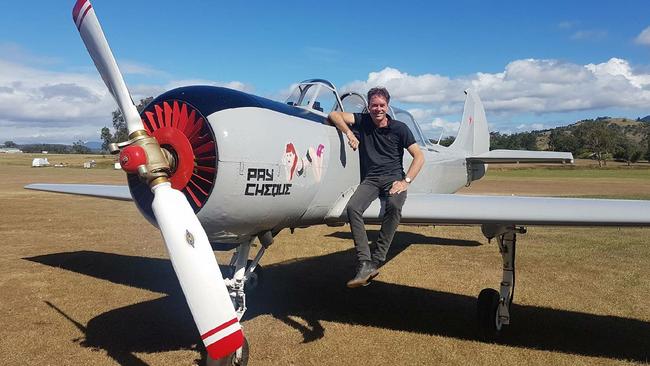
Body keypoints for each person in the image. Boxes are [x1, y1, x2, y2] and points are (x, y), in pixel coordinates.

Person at [327, 87, 424, 288]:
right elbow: (333, 115)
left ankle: (377, 259)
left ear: (387, 106)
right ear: (368, 107)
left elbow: (419, 157)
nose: (377, 109)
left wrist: (405, 181)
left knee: (394, 207)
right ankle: (364, 262)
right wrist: (349, 134)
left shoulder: (400, 128)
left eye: (381, 105)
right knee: (353, 208)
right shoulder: (362, 121)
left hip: (393, 178)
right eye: (373, 105)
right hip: (371, 179)